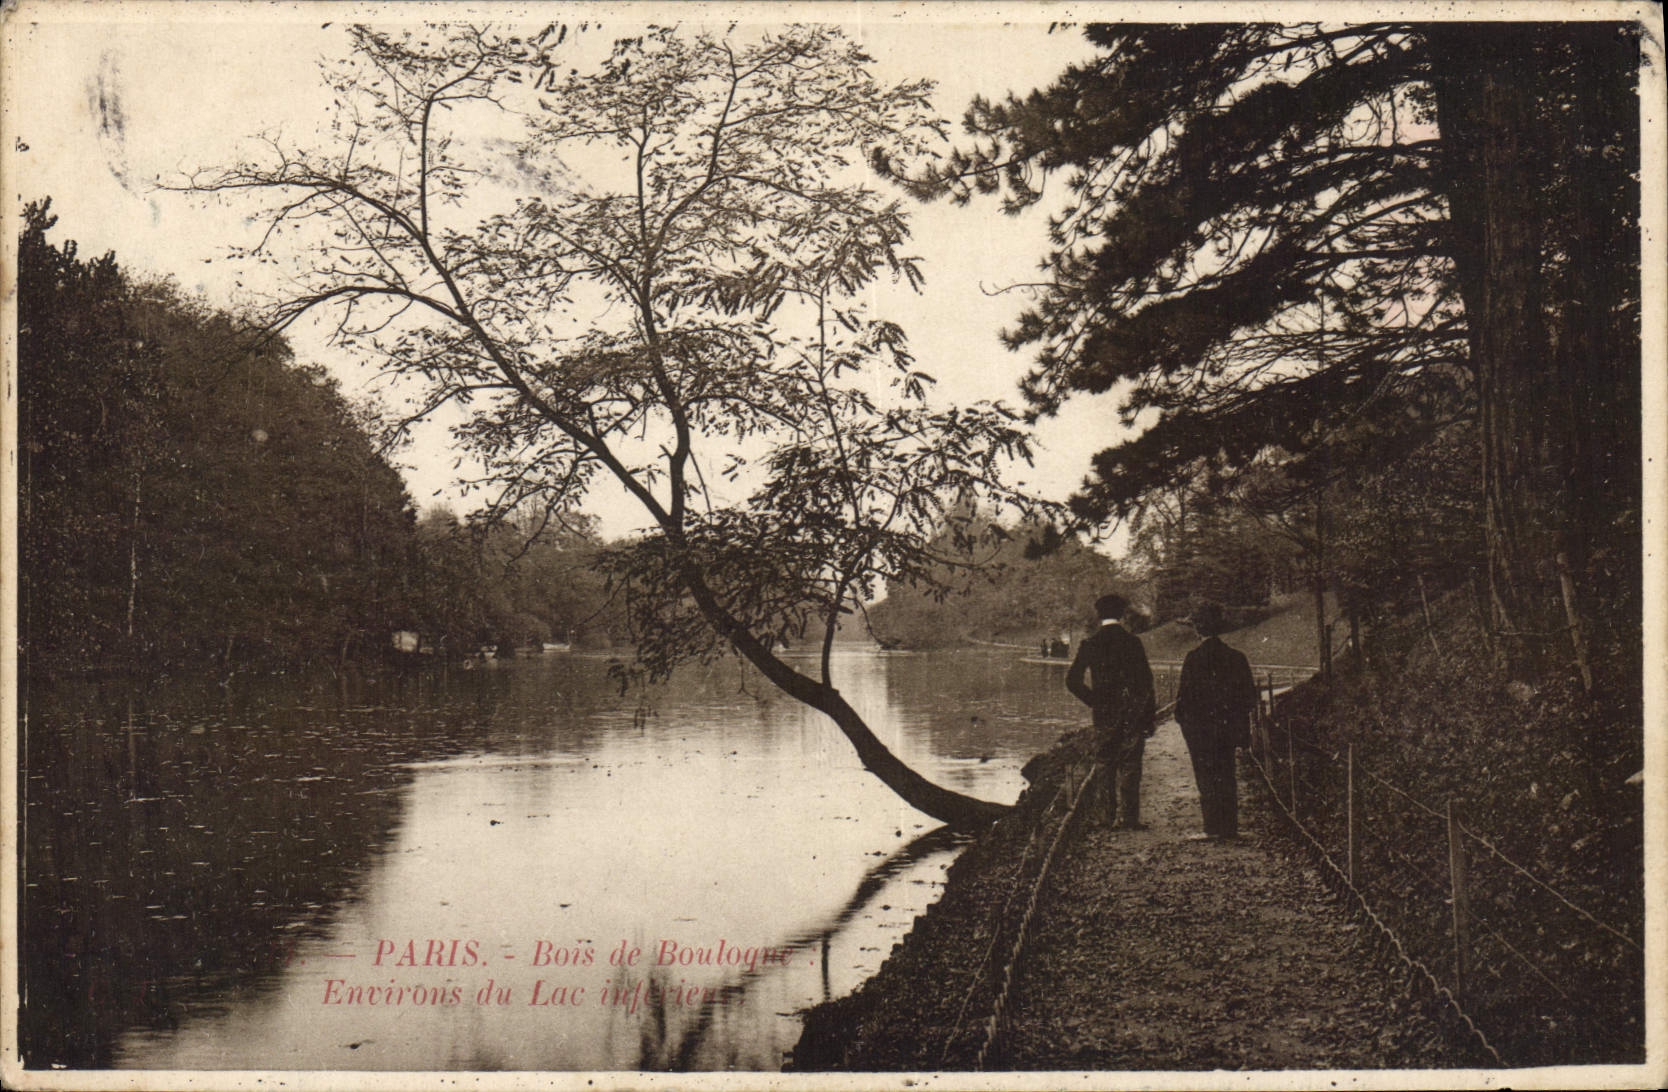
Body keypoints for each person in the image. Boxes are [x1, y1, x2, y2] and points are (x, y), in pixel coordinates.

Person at [1066, 594, 1156, 830]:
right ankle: (1129, 818)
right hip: (1132, 712)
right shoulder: (1132, 643)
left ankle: (1105, 817)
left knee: (1105, 762)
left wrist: (1095, 701)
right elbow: (1146, 682)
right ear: (1122, 614)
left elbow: (1072, 681)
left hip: (1104, 713)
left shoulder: (1090, 644)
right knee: (1131, 763)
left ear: (1099, 615)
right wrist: (1148, 716)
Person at [1174, 601, 1259, 841]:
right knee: (1227, 772)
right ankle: (1229, 827)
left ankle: (1212, 827)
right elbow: (1248, 698)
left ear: (1198, 630)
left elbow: (1183, 700)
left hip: (1200, 731)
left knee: (1206, 775)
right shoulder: (1237, 658)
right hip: (1227, 728)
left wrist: (1187, 726)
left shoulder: (1193, 658)